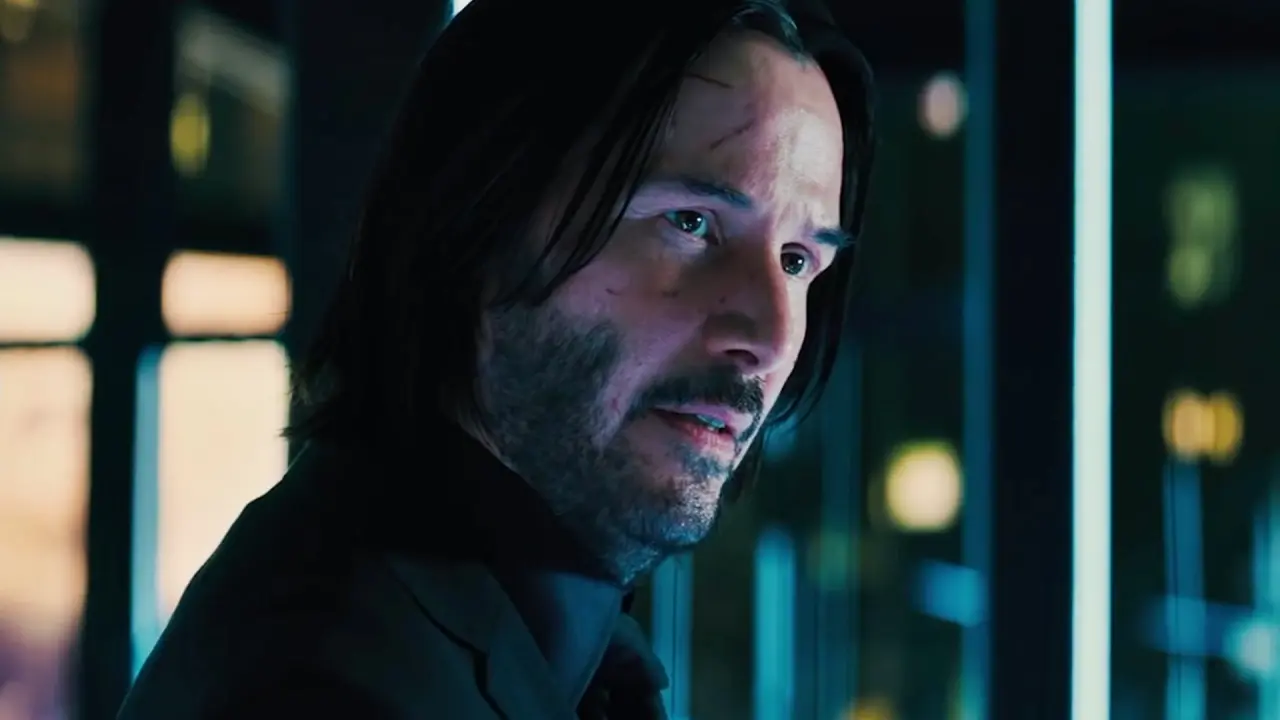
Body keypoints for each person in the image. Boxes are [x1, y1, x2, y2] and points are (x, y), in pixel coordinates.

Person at [117, 0, 874, 717]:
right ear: (479, 218)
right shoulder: (329, 686)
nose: (771, 335)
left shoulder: (541, 640)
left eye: (797, 261)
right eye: (691, 222)